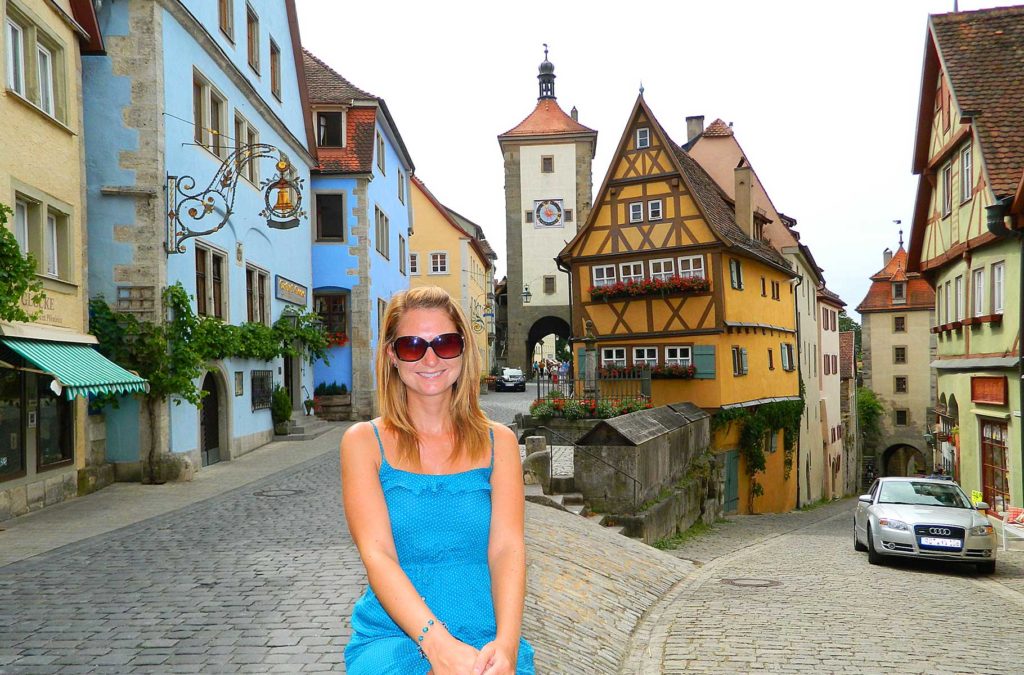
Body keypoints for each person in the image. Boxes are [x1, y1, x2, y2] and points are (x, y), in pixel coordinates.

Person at [342, 286, 534, 675]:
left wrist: (507, 647)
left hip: (486, 635)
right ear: (393, 356)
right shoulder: (365, 444)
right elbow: (378, 555)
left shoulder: (501, 443)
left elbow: (507, 550)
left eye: (445, 343)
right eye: (413, 345)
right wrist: (439, 647)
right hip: (395, 637)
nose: (430, 358)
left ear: (464, 350)